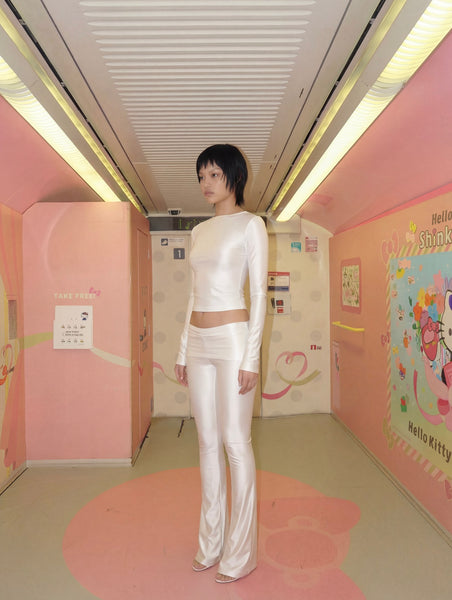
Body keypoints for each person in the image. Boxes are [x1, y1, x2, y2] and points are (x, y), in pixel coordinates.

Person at [174, 144, 268, 584]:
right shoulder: (198, 231)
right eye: (201, 176)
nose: (205, 184)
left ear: (234, 176)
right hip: (198, 341)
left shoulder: (251, 225)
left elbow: (259, 294)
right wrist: (182, 350)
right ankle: (210, 543)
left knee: (235, 442)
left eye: (213, 174)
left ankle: (241, 553)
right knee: (207, 443)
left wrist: (252, 356)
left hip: (233, 341)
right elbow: (193, 293)